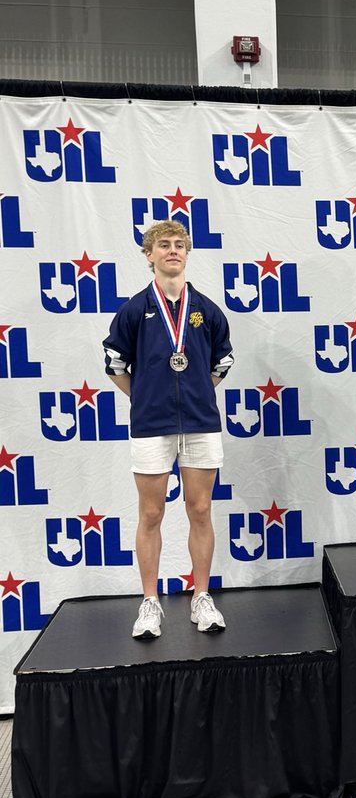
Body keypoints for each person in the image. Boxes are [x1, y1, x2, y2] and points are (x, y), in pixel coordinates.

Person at [103, 220, 234, 639]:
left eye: (180, 244)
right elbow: (115, 365)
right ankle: (149, 601)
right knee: (151, 513)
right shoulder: (134, 310)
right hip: (151, 426)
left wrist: (194, 392)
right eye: (164, 245)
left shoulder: (207, 310)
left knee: (200, 510)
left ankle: (200, 596)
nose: (172, 250)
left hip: (200, 423)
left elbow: (222, 363)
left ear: (188, 253)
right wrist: (144, 397)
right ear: (149, 255)